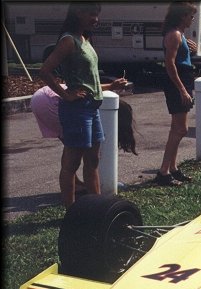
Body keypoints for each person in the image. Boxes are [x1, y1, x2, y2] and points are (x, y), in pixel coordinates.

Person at [39, 2, 128, 209]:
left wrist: (111, 85)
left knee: (93, 160)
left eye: (97, 14)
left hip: (91, 107)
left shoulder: (85, 39)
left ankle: (95, 207)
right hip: (77, 109)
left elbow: (89, 81)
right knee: (72, 163)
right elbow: (44, 71)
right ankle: (72, 212)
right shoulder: (69, 40)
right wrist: (66, 94)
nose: (95, 19)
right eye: (91, 14)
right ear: (78, 13)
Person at [31, 85, 138, 195]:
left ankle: (76, 185)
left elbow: (91, 86)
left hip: (41, 96)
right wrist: (111, 85)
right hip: (51, 102)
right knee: (79, 154)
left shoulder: (90, 91)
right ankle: (79, 195)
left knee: (69, 146)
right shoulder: (94, 104)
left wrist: (111, 85)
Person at [155, 2, 197, 186]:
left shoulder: (179, 35)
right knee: (181, 129)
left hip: (184, 77)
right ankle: (163, 171)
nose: (192, 19)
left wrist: (190, 51)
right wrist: (182, 89)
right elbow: (169, 64)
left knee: (176, 128)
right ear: (182, 16)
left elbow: (181, 58)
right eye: (190, 15)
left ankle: (172, 168)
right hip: (177, 82)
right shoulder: (174, 35)